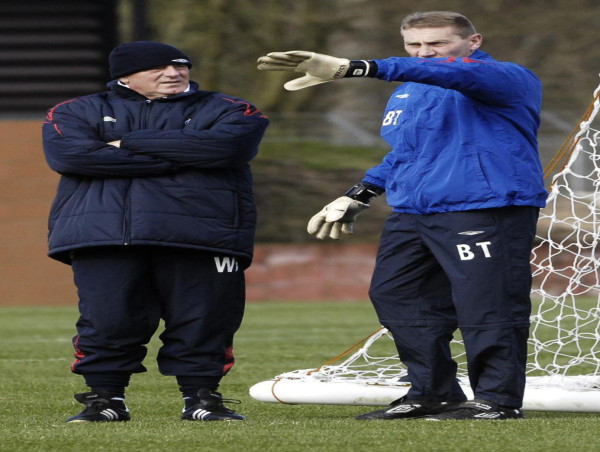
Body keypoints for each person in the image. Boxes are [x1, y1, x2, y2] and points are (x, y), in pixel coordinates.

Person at [257, 11, 546, 420]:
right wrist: (360, 193)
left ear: (473, 41)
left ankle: (496, 401)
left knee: (487, 304)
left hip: (483, 205)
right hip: (414, 210)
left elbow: (454, 75)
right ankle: (433, 393)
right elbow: (409, 153)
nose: (425, 53)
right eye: (414, 45)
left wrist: (355, 67)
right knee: (396, 295)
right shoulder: (410, 91)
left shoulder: (506, 77)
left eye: (438, 43)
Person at [43, 41, 269, 423]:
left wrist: (126, 143)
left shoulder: (231, 109)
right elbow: (70, 156)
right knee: (108, 319)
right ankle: (105, 400)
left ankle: (201, 399)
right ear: (125, 76)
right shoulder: (75, 111)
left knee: (205, 319)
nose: (174, 74)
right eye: (159, 69)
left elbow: (228, 149)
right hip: (105, 234)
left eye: (181, 67)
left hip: (203, 234)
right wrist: (184, 157)